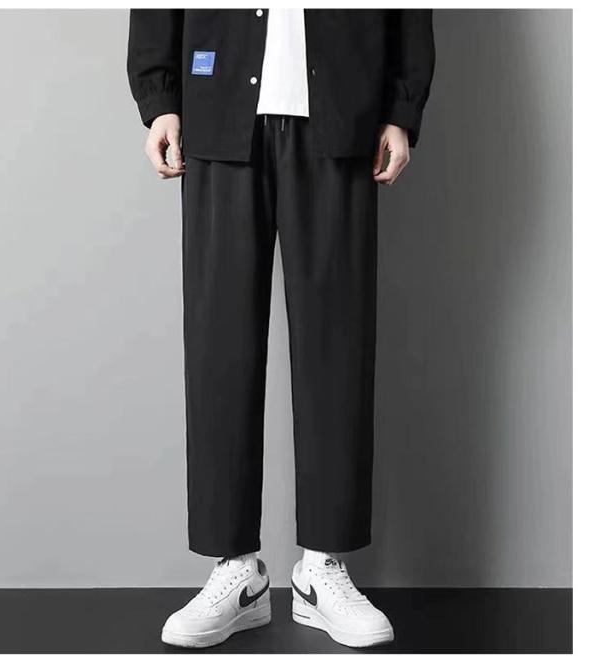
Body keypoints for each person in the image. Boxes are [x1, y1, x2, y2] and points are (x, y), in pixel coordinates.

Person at [127, 8, 434, 649]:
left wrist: (402, 106)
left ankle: (323, 567)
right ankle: (235, 569)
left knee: (337, 346)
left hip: (342, 111)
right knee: (219, 348)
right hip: (217, 107)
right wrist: (159, 97)